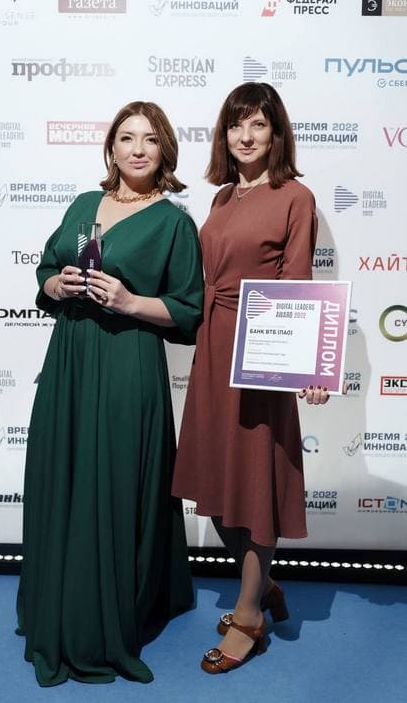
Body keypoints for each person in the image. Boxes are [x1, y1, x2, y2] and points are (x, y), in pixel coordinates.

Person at [16, 101, 203, 686]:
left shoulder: (173, 223)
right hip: (70, 356)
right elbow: (45, 271)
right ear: (112, 148)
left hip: (128, 363)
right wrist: (58, 282)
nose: (138, 149)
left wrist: (129, 301)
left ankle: (108, 618)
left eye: (150, 139)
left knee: (116, 483)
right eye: (127, 138)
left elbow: (188, 310)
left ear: (165, 150)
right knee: (65, 474)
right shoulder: (81, 204)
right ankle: (58, 602)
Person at [172, 82, 329, 674]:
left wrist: (306, 363)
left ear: (276, 133)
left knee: (255, 483)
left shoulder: (295, 197)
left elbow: (298, 281)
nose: (246, 136)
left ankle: (249, 615)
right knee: (216, 481)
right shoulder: (220, 198)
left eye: (259, 124)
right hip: (213, 346)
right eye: (236, 125)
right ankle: (263, 585)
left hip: (262, 349)